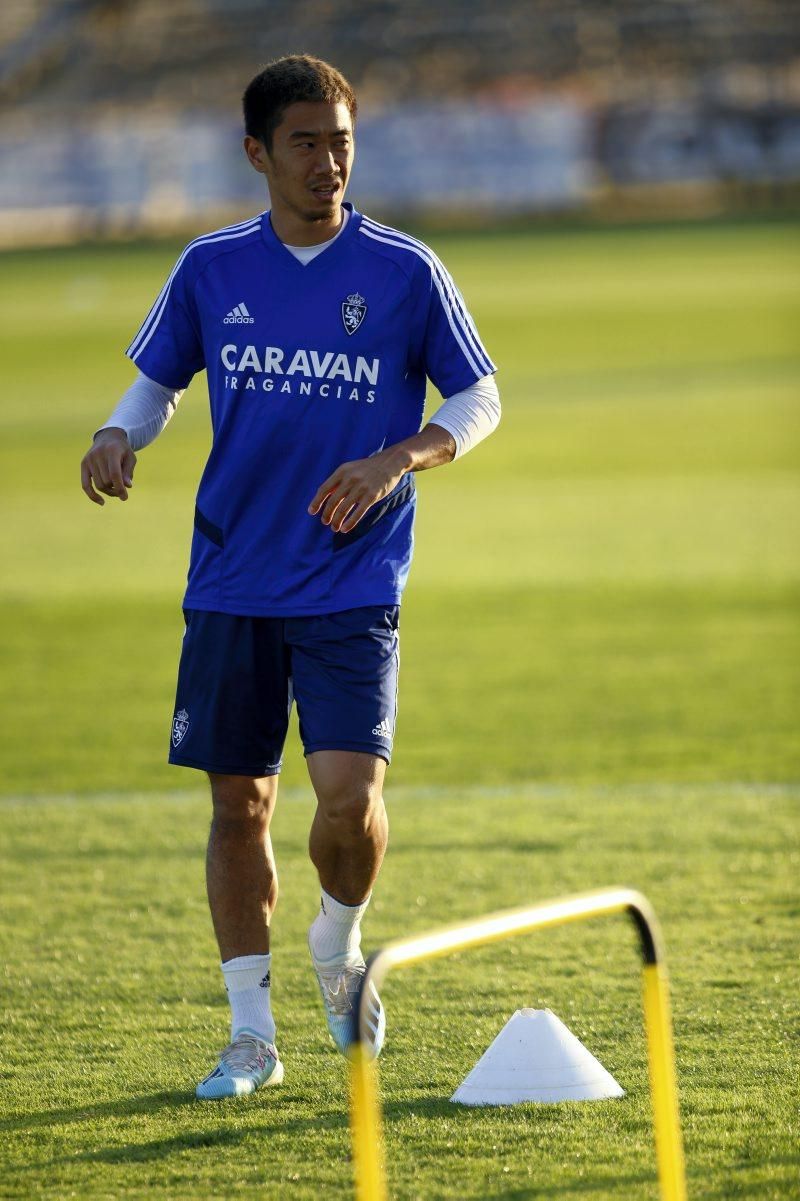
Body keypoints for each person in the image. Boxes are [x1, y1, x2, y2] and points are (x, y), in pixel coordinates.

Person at [80, 54, 500, 1100]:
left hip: (353, 580)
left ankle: (338, 940)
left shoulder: (405, 270)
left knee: (349, 803)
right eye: (306, 142)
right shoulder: (210, 267)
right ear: (257, 152)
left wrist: (397, 455)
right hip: (230, 579)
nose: (328, 162)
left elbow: (479, 398)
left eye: (342, 142)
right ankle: (250, 1035)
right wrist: (115, 433)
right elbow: (154, 383)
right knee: (238, 809)